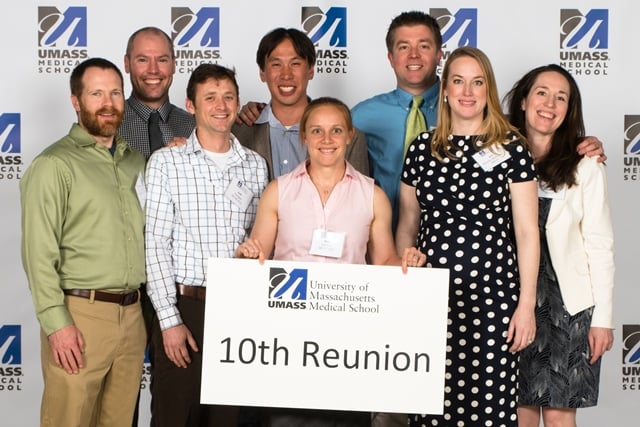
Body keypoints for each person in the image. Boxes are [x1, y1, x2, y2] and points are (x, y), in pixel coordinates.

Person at [236, 96, 426, 427]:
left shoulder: (372, 195)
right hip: (288, 338)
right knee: (287, 421)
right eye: (317, 131)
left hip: (348, 341)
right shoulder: (278, 191)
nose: (327, 140)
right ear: (304, 136)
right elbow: (259, 254)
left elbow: (384, 259)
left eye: (336, 130)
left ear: (350, 135)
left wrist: (406, 262)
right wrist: (248, 254)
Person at [395, 46, 540, 426]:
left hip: (493, 301)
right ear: (444, 89)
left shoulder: (512, 149)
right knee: (431, 406)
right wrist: (406, 272)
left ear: (488, 89)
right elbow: (407, 226)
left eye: (477, 82)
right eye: (458, 81)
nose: (467, 91)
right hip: (431, 300)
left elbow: (527, 232)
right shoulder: (421, 149)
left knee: (489, 408)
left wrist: (526, 305)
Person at [20, 57, 146, 427]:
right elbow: (38, 252)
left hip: (133, 316)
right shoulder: (53, 164)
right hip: (80, 315)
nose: (108, 103)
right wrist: (57, 323)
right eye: (96, 94)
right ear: (76, 101)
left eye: (116, 93)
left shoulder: (135, 161)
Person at [145, 63, 268, 427]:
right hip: (186, 306)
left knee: (226, 419)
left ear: (238, 103)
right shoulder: (167, 162)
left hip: (236, 309)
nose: (221, 105)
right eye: (210, 97)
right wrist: (169, 321)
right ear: (191, 105)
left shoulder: (255, 166)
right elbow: (155, 244)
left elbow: (259, 239)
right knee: (174, 417)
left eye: (228, 97)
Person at [504, 64, 615, 427]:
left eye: (561, 97)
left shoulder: (586, 165)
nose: (549, 104)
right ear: (523, 100)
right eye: (541, 93)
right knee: (518, 417)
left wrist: (603, 320)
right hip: (511, 302)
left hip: (568, 307)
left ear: (570, 110)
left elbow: (600, 245)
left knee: (558, 420)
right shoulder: (498, 157)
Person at [232, 27, 369, 179]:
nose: (286, 75)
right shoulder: (236, 133)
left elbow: (359, 192)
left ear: (311, 70)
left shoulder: (349, 138)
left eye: (295, 63)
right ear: (262, 73)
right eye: (276, 64)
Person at [119, 26, 195, 159]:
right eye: (143, 60)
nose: (153, 70)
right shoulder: (109, 124)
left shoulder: (194, 127)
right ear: (127, 63)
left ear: (173, 64)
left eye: (162, 60)